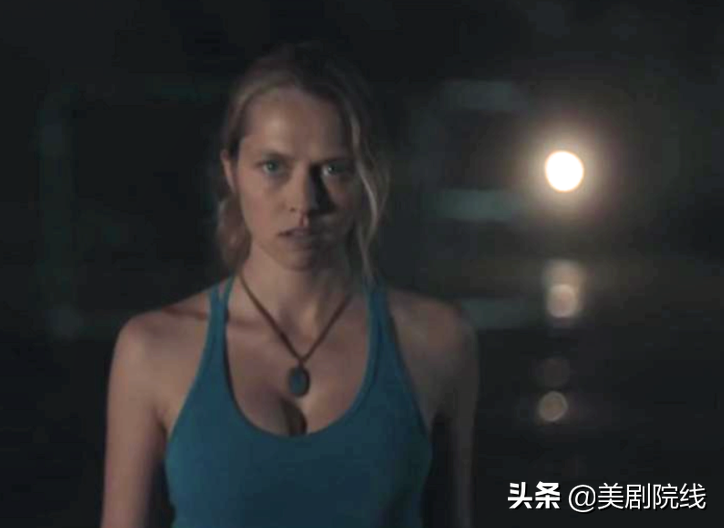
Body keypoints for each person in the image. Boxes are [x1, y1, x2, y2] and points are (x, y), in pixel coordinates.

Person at [100, 41, 478, 528]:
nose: (304, 201)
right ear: (231, 170)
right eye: (273, 166)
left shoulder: (438, 341)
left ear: (366, 177)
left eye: (334, 169)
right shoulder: (153, 349)